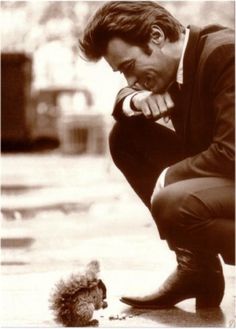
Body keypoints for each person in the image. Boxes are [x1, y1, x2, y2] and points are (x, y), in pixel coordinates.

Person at [80, 1, 235, 309]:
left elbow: (231, 153)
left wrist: (168, 177)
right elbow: (123, 101)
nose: (130, 80)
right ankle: (197, 269)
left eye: (128, 67)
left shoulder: (225, 53)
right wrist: (136, 99)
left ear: (156, 36)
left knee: (172, 200)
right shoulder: (176, 66)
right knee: (126, 137)